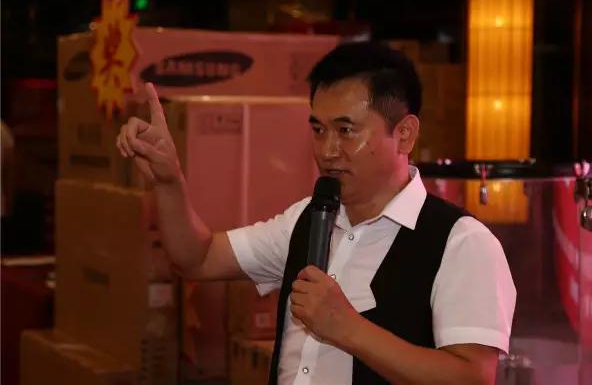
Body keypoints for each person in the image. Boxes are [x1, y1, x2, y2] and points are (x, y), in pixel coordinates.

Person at [116, 42, 516, 385]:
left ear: (404, 134)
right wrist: (168, 180)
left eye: (346, 131)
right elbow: (198, 257)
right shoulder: (307, 219)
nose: (327, 151)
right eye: (318, 129)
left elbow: (472, 377)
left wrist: (348, 328)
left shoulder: (460, 243)